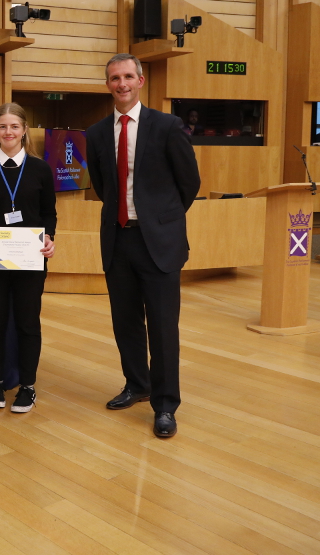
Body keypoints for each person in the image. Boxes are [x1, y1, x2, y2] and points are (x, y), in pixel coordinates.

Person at [85, 54, 200, 439]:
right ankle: (137, 384)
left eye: (128, 77)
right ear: (108, 85)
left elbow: (189, 183)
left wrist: (159, 218)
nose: (122, 84)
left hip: (159, 243)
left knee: (164, 328)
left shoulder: (168, 126)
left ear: (141, 81)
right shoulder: (98, 132)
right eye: (115, 78)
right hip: (118, 239)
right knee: (126, 322)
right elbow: (102, 186)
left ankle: (165, 405)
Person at [0, 103, 56, 413]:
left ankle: (28, 386)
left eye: (14, 127)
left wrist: (49, 238)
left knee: (27, 322)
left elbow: (48, 213)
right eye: (3, 126)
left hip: (31, 260)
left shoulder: (40, 168)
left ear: (24, 131)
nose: (8, 132)